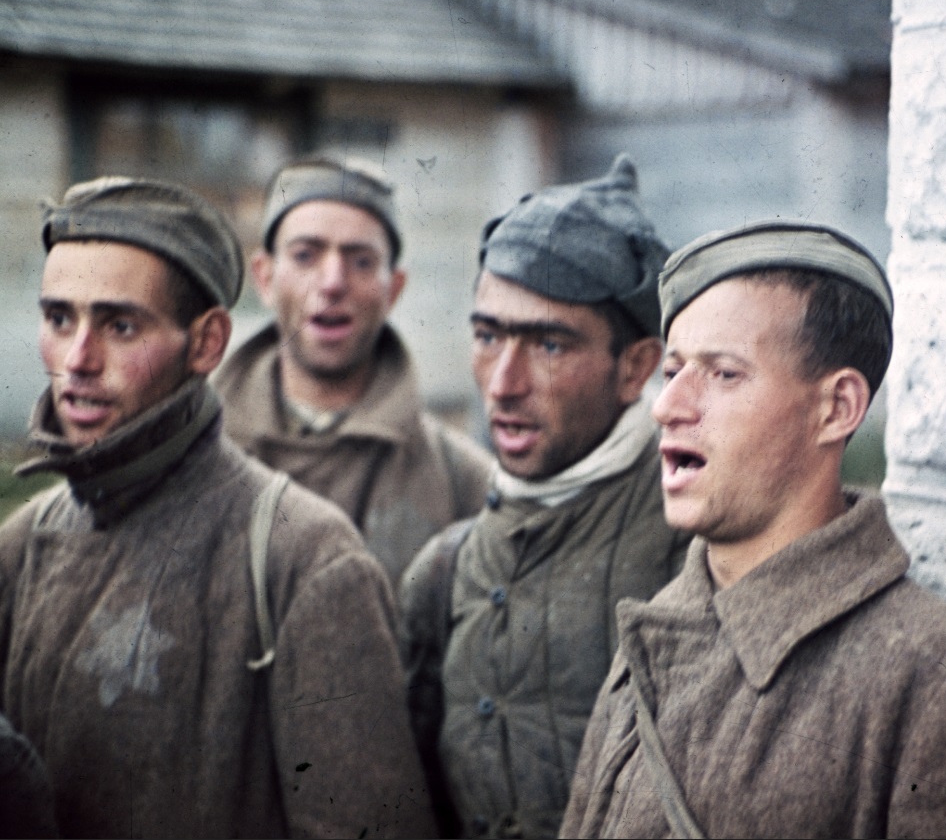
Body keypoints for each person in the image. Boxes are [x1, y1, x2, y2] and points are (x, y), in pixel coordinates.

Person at [562, 221, 946, 838]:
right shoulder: (653, 635)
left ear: (837, 408)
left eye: (723, 374)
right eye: (674, 370)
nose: (667, 406)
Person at [0, 177, 435, 837]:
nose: (78, 360)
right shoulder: (20, 546)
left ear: (206, 343)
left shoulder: (304, 559)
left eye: (120, 324)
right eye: (60, 319)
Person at [401, 155, 691, 839]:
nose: (502, 381)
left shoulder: (699, 553)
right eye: (488, 335)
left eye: (550, 345)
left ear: (637, 367)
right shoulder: (443, 572)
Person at [215, 155, 492, 589]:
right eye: (306, 255)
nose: (332, 282)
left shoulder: (461, 481)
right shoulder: (202, 454)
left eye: (361, 261)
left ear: (393, 288)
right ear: (265, 278)